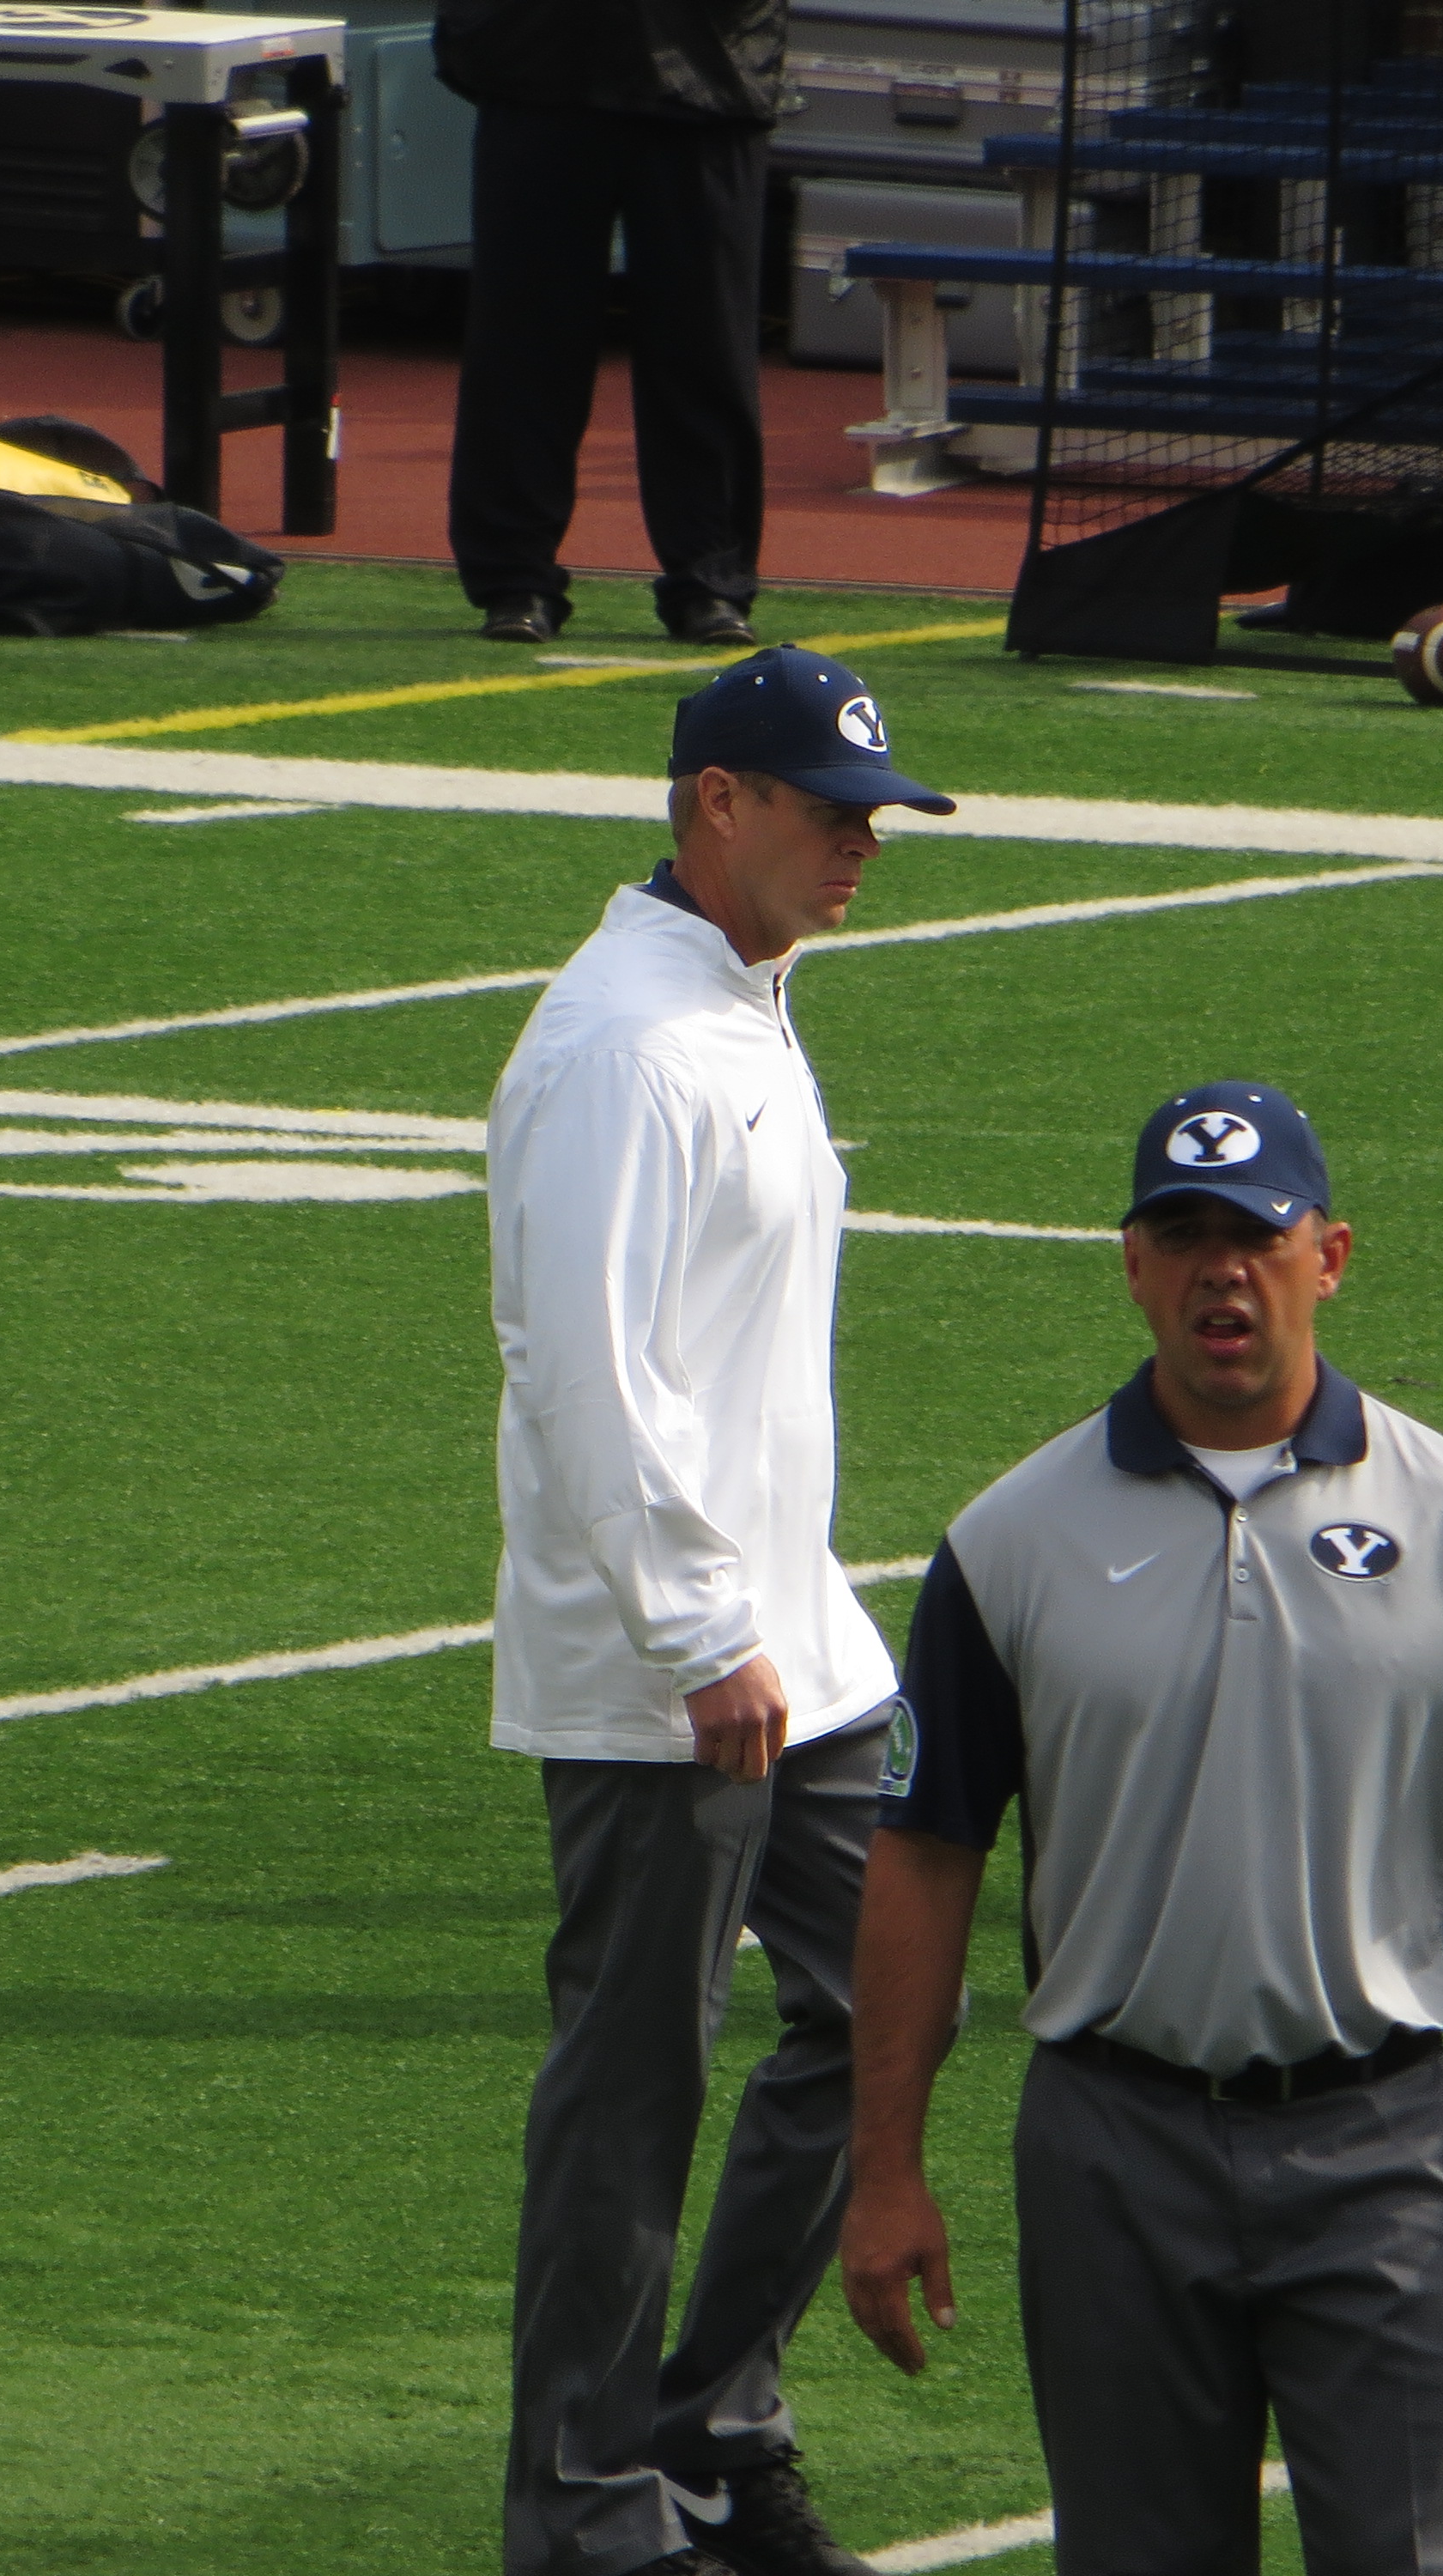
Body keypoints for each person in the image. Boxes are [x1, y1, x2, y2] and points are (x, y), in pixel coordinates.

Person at [842, 1081, 1443, 2576]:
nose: (1225, 1270)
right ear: (1134, 1265)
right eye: (1188, 1236)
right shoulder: (1008, 1543)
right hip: (1113, 2151)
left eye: (1259, 1234)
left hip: (1386, 2149)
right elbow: (925, 1854)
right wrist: (884, 2164)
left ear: (1330, 1255)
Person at [489, 648, 955, 2576]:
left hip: (797, 1644)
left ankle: (708, 2423)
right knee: (632, 2087)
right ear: (712, 808)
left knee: (880, 2015)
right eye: (828, 811)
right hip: (667, 1674)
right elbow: (587, 1370)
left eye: (870, 816)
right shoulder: (620, 1047)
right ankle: (586, 2511)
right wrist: (697, 1632)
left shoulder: (742, 1003)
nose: (861, 846)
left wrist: (773, 1623)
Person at [431, 0, 779, 649]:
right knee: (522, 344)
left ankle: (711, 577)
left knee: (707, 348)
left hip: (708, 68)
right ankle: (514, 577)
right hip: (537, 60)